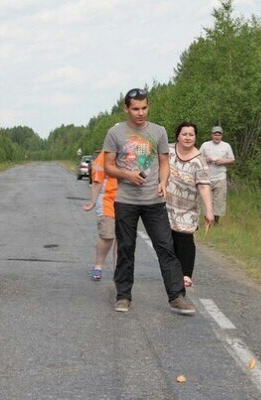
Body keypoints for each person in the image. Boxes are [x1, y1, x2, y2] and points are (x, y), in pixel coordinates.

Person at [103, 88, 196, 315]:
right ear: (126, 109)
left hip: (154, 201)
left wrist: (163, 182)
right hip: (126, 200)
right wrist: (127, 175)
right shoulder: (115, 133)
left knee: (166, 247)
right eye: (135, 109)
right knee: (126, 248)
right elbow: (108, 166)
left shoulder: (159, 131)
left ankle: (176, 297)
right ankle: (123, 296)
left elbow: (164, 162)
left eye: (144, 107)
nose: (140, 112)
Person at [166, 122, 214, 287]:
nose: (187, 137)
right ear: (177, 136)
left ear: (195, 138)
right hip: (166, 203)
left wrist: (209, 210)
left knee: (185, 238)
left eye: (191, 135)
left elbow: (204, 185)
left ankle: (186, 274)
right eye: (184, 134)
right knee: (168, 240)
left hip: (188, 207)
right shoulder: (168, 151)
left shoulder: (199, 160)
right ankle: (173, 271)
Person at [82, 150, 117, 281]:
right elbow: (97, 180)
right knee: (107, 236)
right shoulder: (105, 155)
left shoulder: (134, 153)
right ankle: (98, 265)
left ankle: (119, 270)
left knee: (123, 239)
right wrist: (92, 201)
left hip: (127, 200)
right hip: (107, 201)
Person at [199, 126, 235, 224]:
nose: (217, 136)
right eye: (215, 134)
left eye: (219, 135)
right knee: (207, 201)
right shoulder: (205, 145)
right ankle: (207, 221)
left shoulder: (226, 146)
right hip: (206, 178)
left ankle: (216, 222)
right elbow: (197, 157)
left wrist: (223, 161)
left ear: (222, 136)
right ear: (212, 135)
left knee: (219, 201)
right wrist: (206, 159)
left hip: (220, 178)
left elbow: (232, 159)